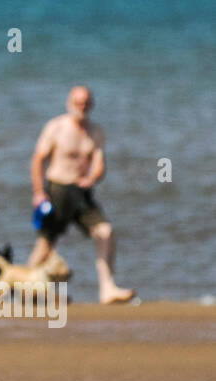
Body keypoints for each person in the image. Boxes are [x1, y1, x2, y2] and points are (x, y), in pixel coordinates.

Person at [27, 85, 134, 304]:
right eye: (77, 102)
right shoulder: (56, 127)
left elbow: (99, 164)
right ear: (69, 103)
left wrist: (92, 178)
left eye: (85, 102)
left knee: (105, 232)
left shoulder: (96, 131)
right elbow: (38, 159)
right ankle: (23, 292)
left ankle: (107, 288)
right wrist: (38, 192)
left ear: (92, 105)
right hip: (57, 190)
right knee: (46, 244)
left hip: (82, 192)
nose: (81, 106)